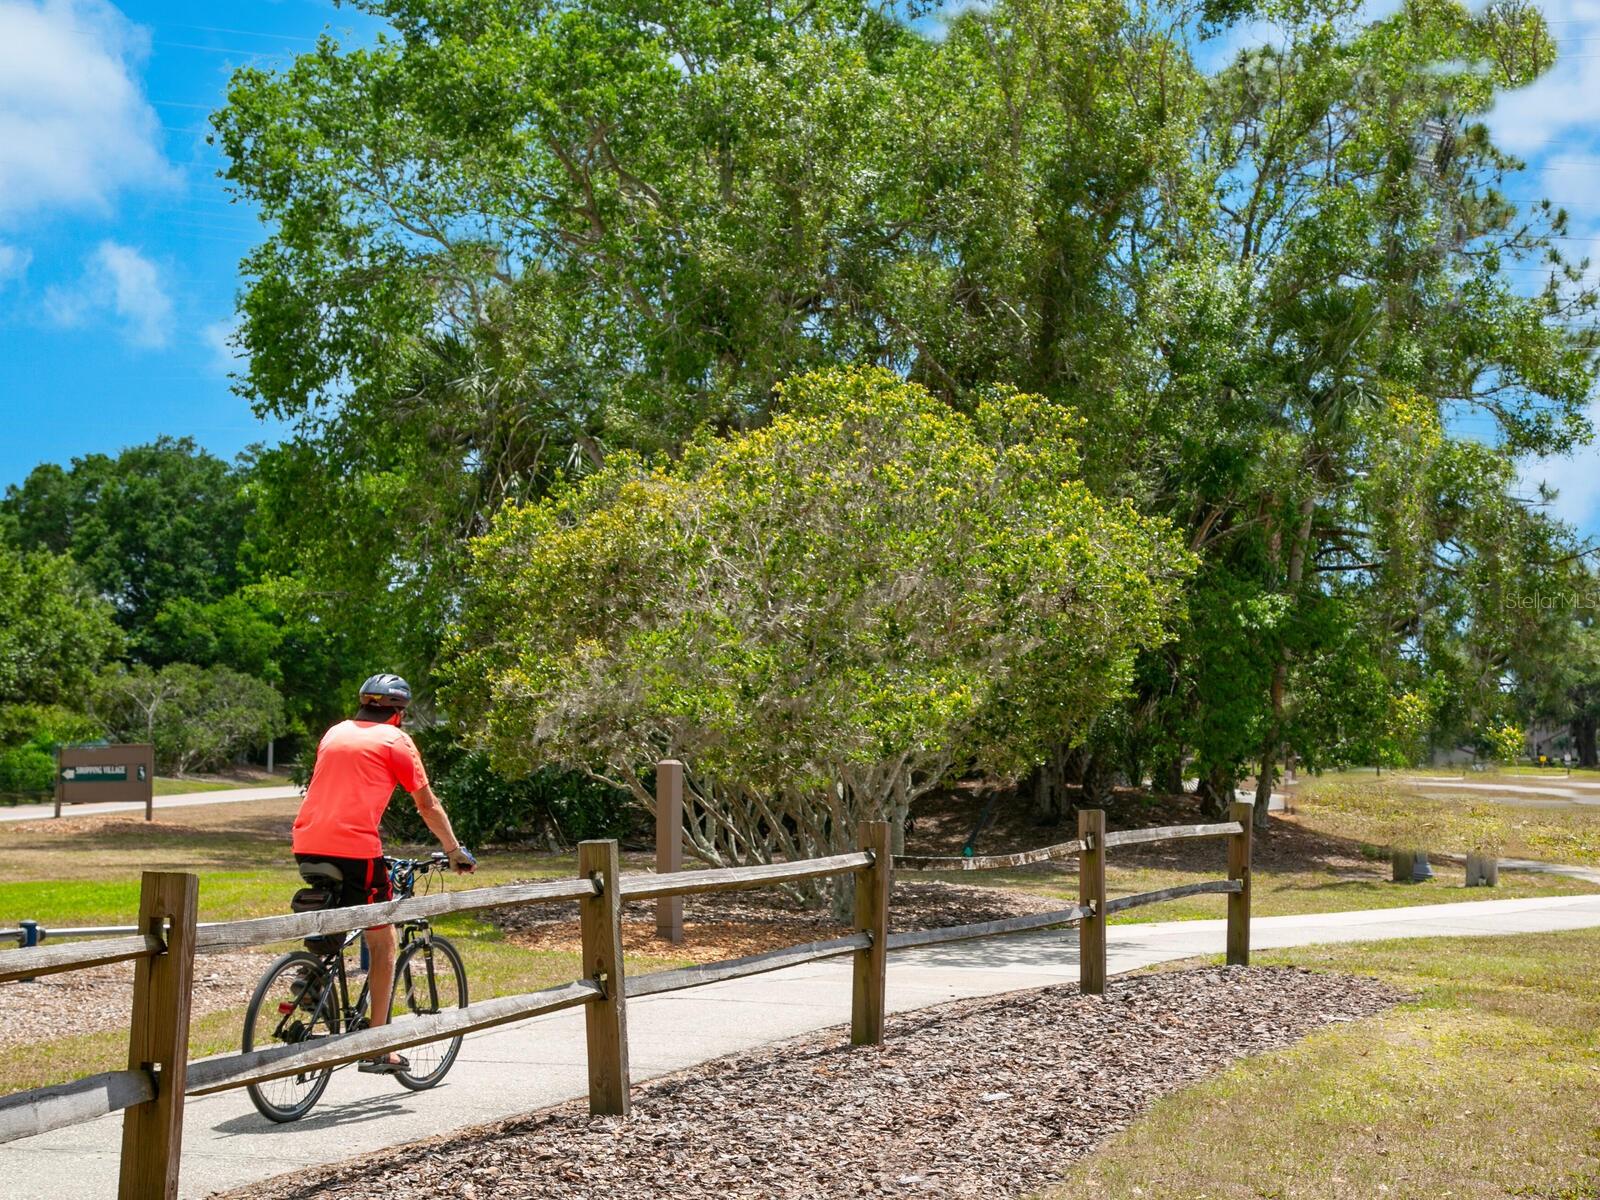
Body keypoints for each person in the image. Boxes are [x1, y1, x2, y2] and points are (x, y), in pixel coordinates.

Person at [291, 673, 476, 1074]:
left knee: (337, 916)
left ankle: (312, 975)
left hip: (306, 843)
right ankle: (379, 1044)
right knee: (383, 940)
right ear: (399, 713)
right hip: (355, 849)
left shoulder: (335, 732)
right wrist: (454, 850)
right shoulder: (396, 741)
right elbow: (426, 804)